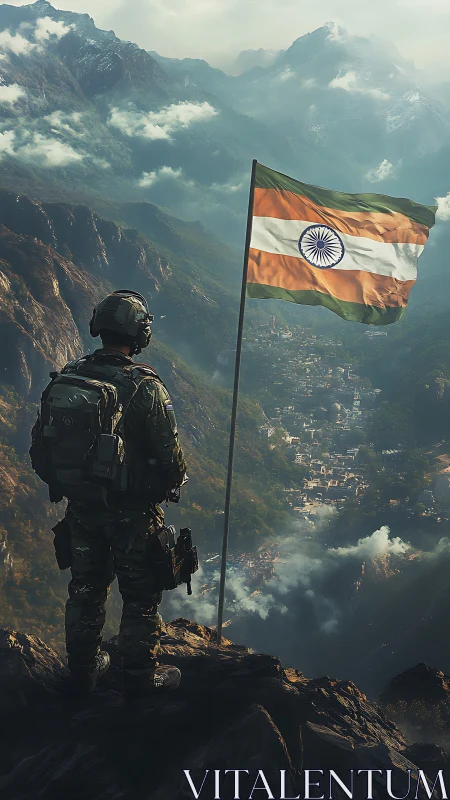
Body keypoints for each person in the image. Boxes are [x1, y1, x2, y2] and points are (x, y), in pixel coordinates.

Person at [30, 290, 187, 699]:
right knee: (140, 597)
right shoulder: (145, 387)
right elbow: (171, 461)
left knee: (86, 589)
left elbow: (40, 448)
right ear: (140, 333)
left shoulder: (70, 376)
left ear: (99, 326)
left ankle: (83, 673)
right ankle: (139, 677)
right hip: (133, 516)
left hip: (81, 509)